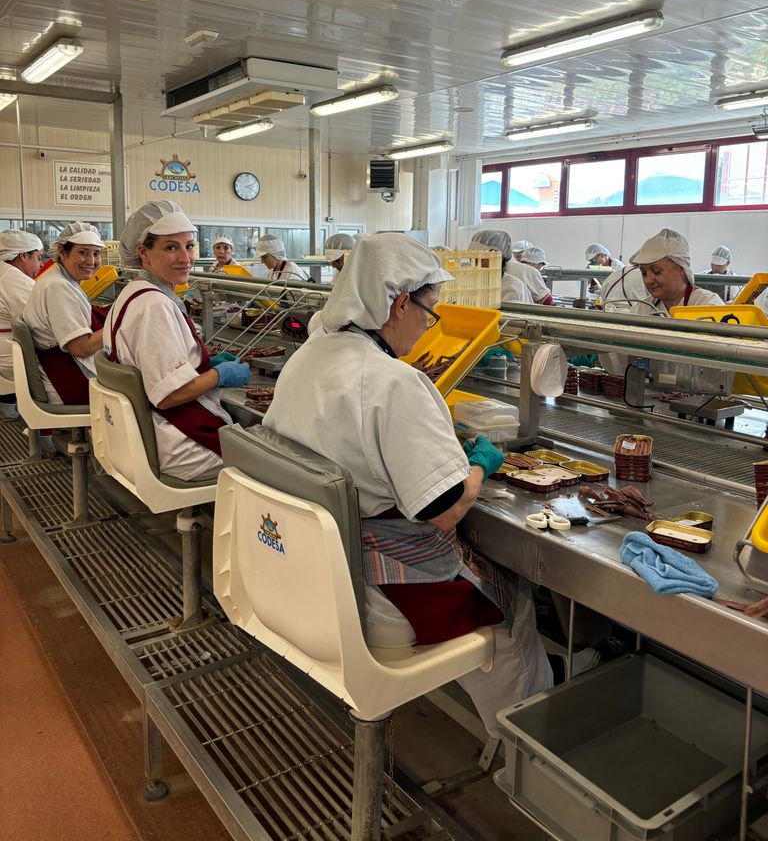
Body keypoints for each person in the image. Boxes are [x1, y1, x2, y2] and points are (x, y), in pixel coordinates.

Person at [264, 233, 552, 736]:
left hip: (301, 562)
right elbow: (443, 511)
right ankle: (527, 739)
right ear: (399, 303)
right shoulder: (391, 380)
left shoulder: (309, 356)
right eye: (429, 311)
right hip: (377, 581)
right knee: (515, 609)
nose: (428, 325)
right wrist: (479, 463)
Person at [103, 200, 250, 481]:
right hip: (182, 446)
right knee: (280, 464)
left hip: (147, 435)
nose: (186, 258)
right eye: (171, 247)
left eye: (189, 246)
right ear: (143, 253)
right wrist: (219, 374)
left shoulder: (133, 292)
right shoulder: (153, 305)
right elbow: (169, 395)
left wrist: (202, 365)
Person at [23, 222, 106, 404]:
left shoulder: (60, 278)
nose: (91, 261)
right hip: (66, 376)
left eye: (96, 253)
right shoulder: (57, 286)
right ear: (62, 251)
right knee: (138, 395)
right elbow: (81, 348)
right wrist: (120, 325)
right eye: (83, 252)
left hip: (62, 367)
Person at [0, 230, 44, 418]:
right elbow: (40, 324)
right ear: (23, 256)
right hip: (9, 356)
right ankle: (46, 427)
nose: (41, 264)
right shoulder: (15, 280)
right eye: (39, 258)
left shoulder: (5, 273)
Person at [629, 229, 723, 316]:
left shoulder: (708, 305)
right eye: (644, 273)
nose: (648, 280)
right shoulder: (641, 310)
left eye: (656, 271)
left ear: (681, 268)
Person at [468, 230, 534, 304]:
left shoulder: (511, 287)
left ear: (499, 258)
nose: (475, 265)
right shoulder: (470, 284)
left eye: (480, 260)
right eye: (472, 259)